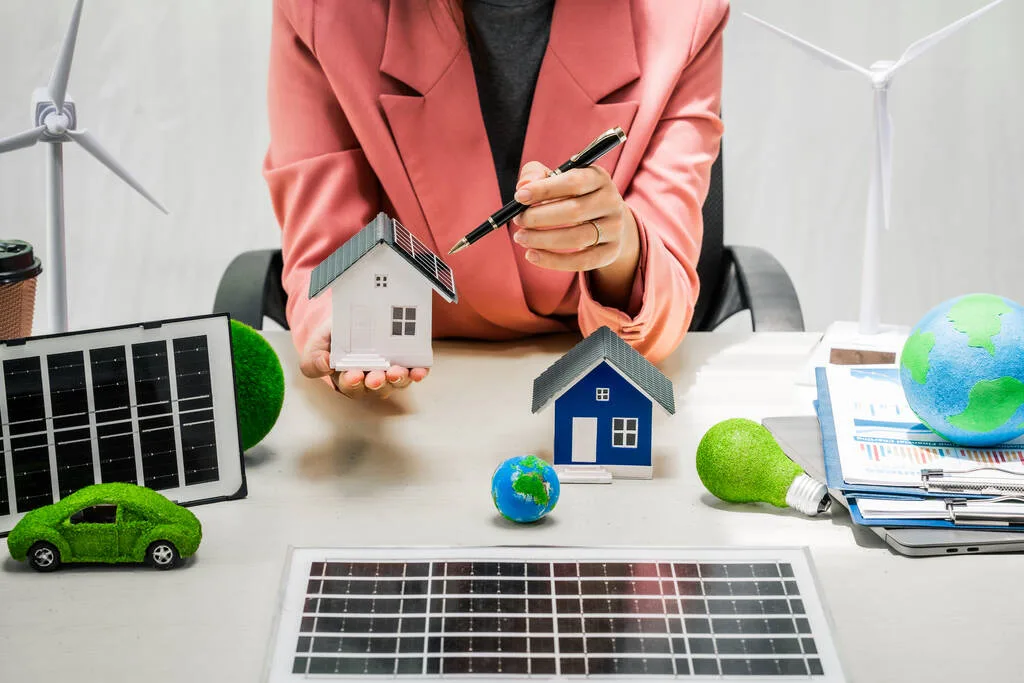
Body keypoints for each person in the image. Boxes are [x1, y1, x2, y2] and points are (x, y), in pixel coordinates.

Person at [264, 0, 728, 399]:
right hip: (411, 396)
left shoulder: (684, 16)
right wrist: (340, 325)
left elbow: (664, 292)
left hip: (587, 373)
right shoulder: (323, 14)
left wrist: (619, 247)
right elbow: (325, 254)